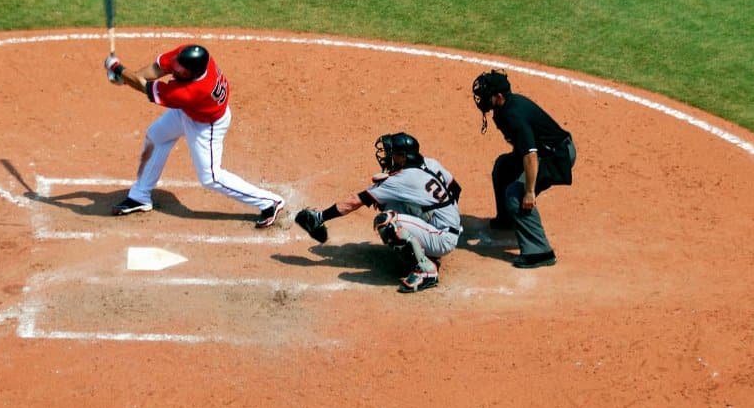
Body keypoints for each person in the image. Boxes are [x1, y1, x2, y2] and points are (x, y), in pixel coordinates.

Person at [103, 44, 284, 227]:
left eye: (182, 71)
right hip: (187, 112)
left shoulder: (193, 91)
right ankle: (140, 196)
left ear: (195, 73)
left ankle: (269, 202)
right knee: (157, 136)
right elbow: (157, 69)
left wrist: (118, 69)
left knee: (210, 178)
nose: (177, 70)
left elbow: (145, 87)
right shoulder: (188, 56)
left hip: (206, 125)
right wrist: (126, 78)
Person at [294, 133, 462, 293]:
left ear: (403, 156)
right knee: (386, 202)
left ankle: (426, 271)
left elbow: (355, 201)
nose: (388, 156)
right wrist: (446, 215)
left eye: (393, 153)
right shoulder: (430, 163)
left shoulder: (403, 179)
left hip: (442, 238)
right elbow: (456, 189)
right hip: (445, 227)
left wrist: (321, 217)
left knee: (387, 222)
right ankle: (429, 245)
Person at [471, 69, 576, 268]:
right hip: (542, 152)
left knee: (516, 195)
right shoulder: (503, 109)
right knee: (503, 167)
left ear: (499, 97)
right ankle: (507, 220)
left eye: (487, 94)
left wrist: (529, 191)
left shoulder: (513, 114)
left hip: (556, 155)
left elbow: (530, 155)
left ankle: (540, 252)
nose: (482, 98)